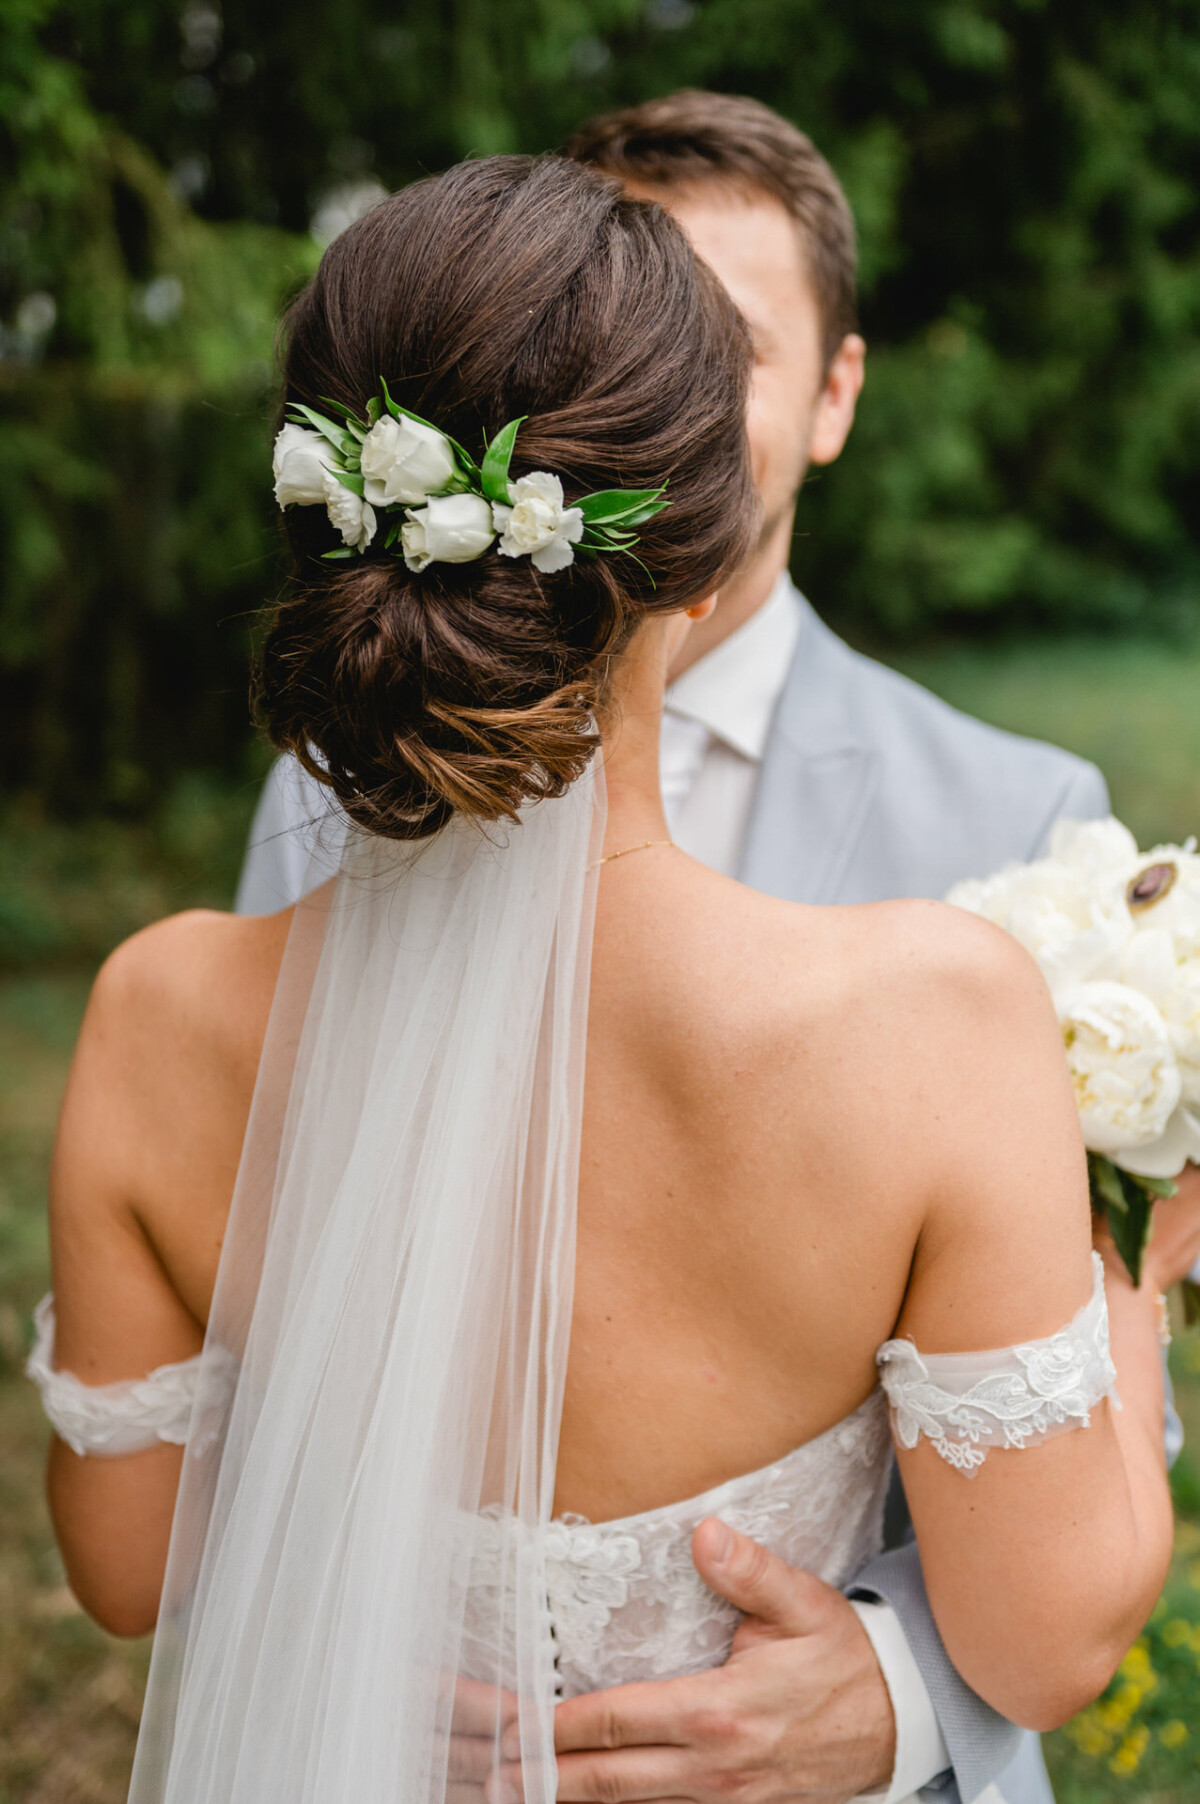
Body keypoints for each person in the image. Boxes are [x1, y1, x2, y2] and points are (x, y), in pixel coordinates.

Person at [33, 154, 1186, 1804]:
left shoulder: (155, 1018)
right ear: (703, 561)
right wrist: (1135, 1265)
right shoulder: (943, 1022)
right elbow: (1049, 1643)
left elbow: (127, 1568)